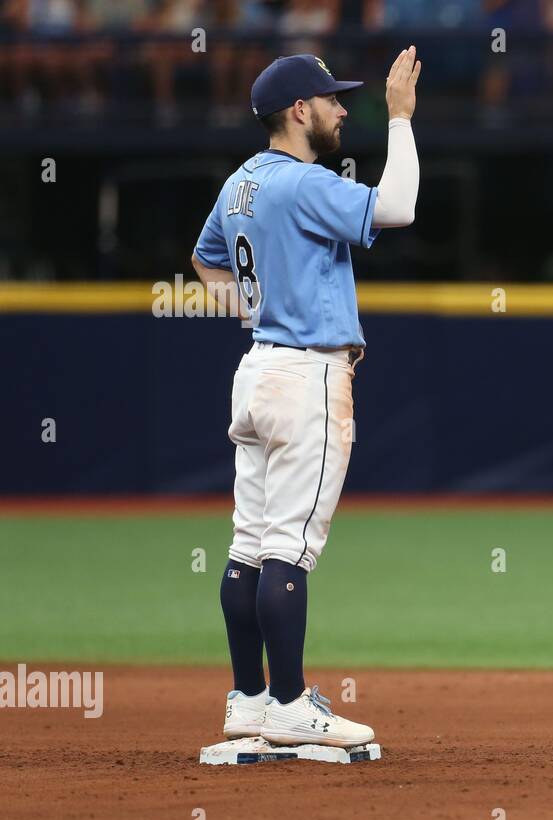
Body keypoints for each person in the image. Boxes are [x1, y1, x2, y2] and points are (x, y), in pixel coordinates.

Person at [190, 48, 422, 747]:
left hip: (257, 369)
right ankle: (291, 706)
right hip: (308, 376)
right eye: (331, 99)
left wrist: (257, 313)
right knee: (288, 548)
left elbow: (204, 257)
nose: (343, 109)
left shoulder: (241, 185)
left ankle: (249, 700)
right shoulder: (300, 182)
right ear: (300, 111)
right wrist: (404, 119)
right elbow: (399, 207)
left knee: (250, 546)